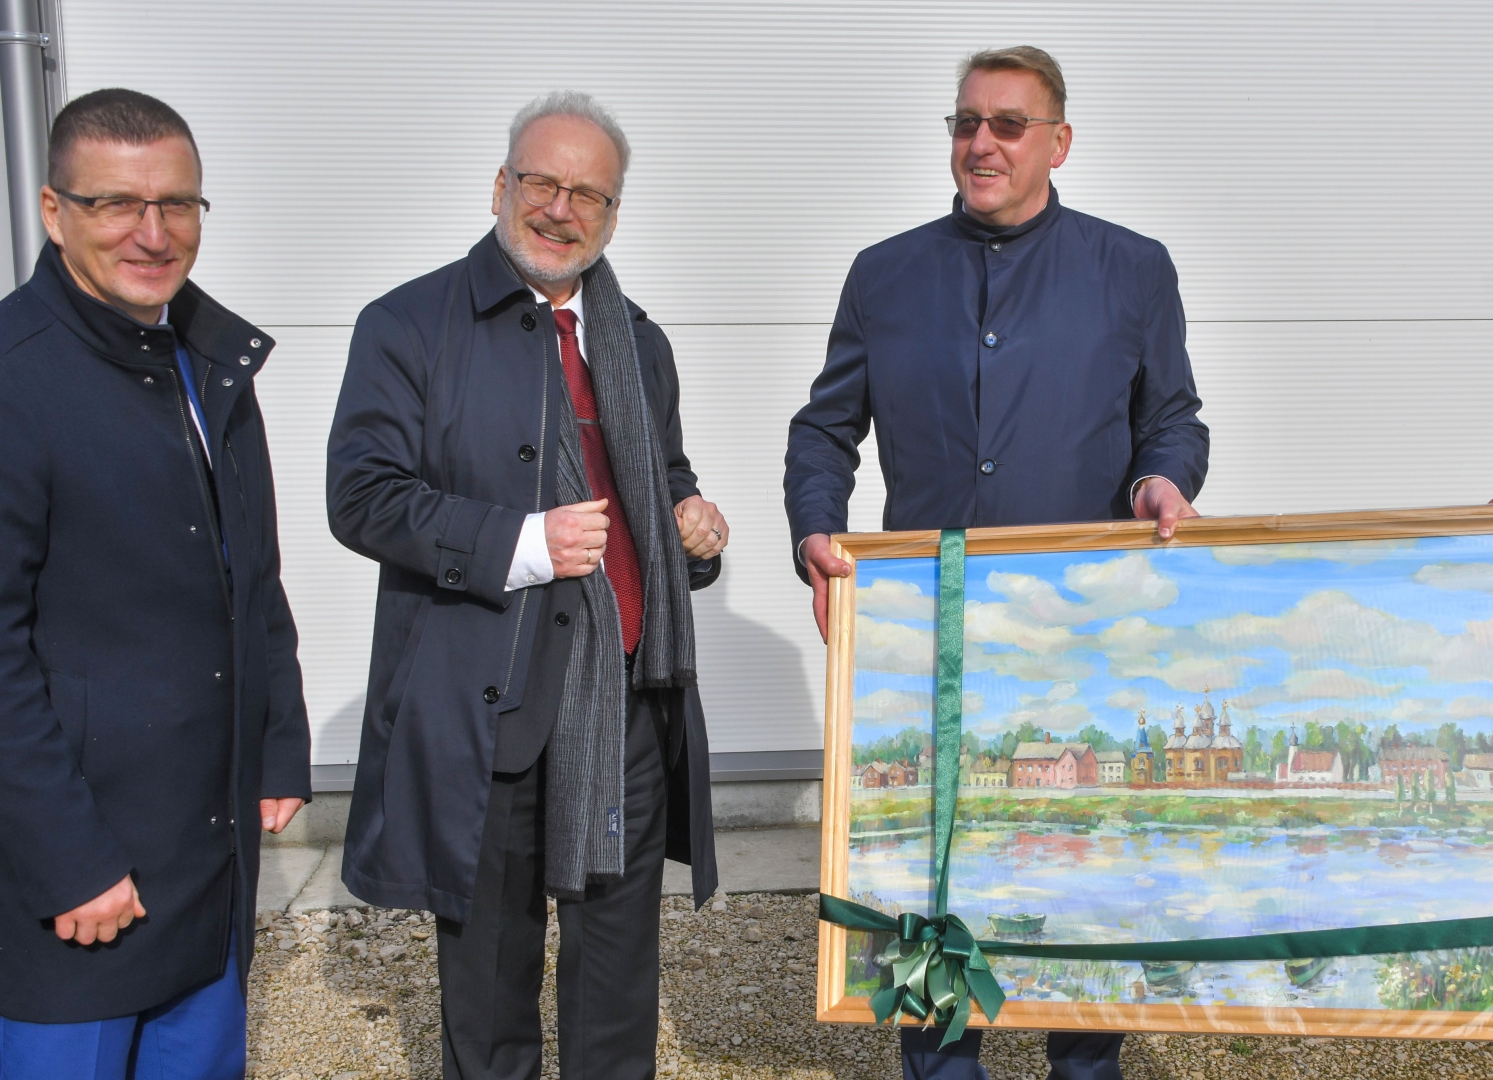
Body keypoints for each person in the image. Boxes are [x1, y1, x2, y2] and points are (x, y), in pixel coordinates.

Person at [784, 47, 1209, 1080]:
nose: (981, 143)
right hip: (927, 633)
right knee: (930, 881)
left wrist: (1162, 480)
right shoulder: (883, 274)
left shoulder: (1131, 268)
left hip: (1079, 635)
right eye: (965, 122)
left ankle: (1084, 1065)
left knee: (1081, 877)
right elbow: (823, 429)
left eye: (1007, 124)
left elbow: (1172, 419)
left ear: (1057, 142)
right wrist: (816, 532)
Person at [328, 90, 727, 1080]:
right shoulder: (408, 324)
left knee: (618, 981)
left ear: (613, 214)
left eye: (587, 193)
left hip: (625, 702)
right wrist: (521, 542)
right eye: (541, 182)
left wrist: (691, 523)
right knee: (490, 984)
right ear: (499, 185)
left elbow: (661, 478)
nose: (559, 209)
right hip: (488, 703)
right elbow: (362, 497)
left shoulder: (638, 342)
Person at [0, 89, 311, 1078]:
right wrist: (69, 860)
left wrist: (277, 742)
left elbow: (252, 571)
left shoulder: (210, 359)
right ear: (54, 213)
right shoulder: (14, 378)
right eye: (116, 205)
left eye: (177, 203)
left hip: (205, 850)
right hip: (75, 882)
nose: (153, 232)